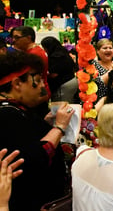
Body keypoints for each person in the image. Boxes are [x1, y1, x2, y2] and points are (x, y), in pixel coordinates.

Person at [0, 51, 75, 211]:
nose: (42, 86)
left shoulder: (16, 110)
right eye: (38, 80)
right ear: (17, 84)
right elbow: (34, 159)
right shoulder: (6, 115)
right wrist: (59, 128)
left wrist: (44, 124)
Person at [9, 26, 50, 117]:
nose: (14, 40)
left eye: (17, 37)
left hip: (37, 95)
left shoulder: (34, 54)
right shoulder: (34, 51)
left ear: (28, 38)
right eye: (13, 37)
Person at [40, 36, 77, 103]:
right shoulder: (63, 51)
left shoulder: (55, 57)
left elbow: (54, 74)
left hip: (63, 85)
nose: (44, 50)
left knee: (61, 106)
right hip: (72, 80)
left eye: (44, 48)